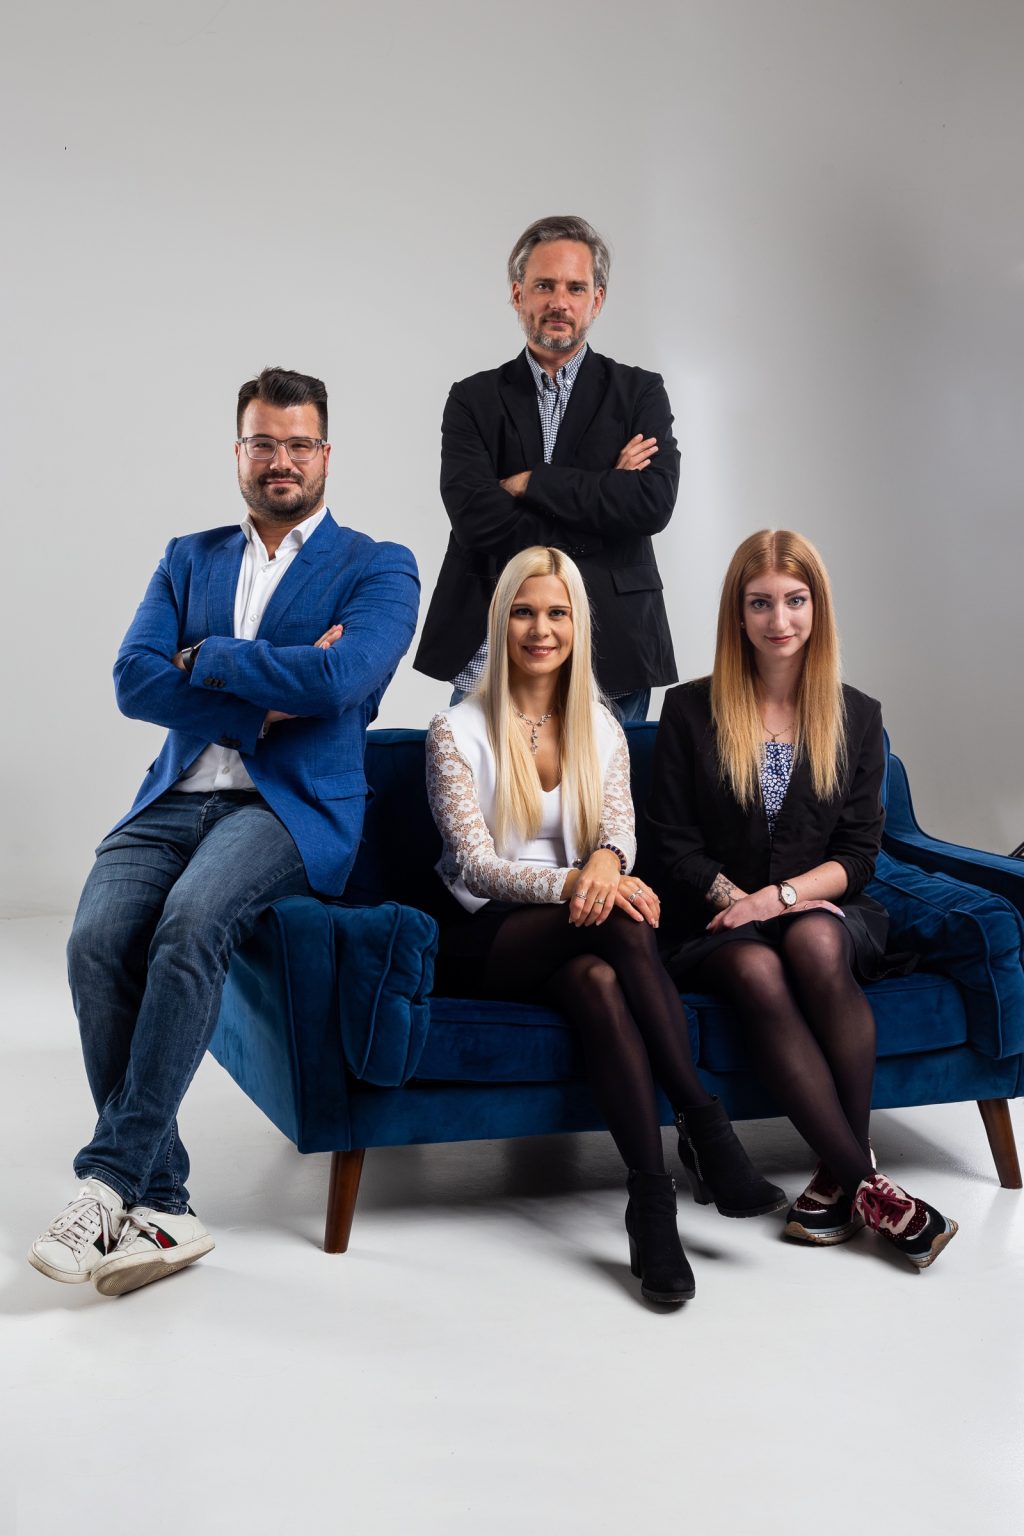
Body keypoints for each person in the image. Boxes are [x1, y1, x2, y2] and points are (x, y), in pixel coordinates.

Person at [29, 366, 420, 1296]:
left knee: (192, 924)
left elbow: (343, 685)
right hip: (172, 798)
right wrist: (264, 694)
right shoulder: (188, 556)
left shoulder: (379, 564)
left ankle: (109, 1181)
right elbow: (132, 680)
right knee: (92, 943)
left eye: (298, 444)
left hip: (291, 810)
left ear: (325, 454)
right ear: (238, 452)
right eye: (262, 443)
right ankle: (166, 1206)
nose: (279, 461)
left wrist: (206, 661)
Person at [425, 546, 785, 1306]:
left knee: (598, 979)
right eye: (524, 611)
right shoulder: (453, 733)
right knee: (618, 924)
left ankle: (650, 1203)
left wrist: (608, 864)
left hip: (580, 938)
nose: (540, 629)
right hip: (489, 940)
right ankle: (703, 1123)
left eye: (557, 613)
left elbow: (618, 828)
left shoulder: (603, 727)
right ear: (501, 620)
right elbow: (480, 868)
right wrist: (586, 880)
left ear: (577, 624)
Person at [648, 529, 957, 1269]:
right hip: (717, 922)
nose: (778, 620)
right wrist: (741, 902)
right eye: (760, 604)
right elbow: (671, 842)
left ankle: (839, 1173)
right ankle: (866, 1181)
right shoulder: (689, 710)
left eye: (794, 601)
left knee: (814, 940)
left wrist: (779, 899)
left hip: (822, 910)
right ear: (738, 613)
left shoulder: (857, 716)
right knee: (757, 969)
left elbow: (857, 855)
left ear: (816, 608)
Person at [414, 214, 679, 722]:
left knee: (600, 801)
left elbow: (651, 503)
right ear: (518, 295)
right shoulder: (472, 399)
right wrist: (605, 491)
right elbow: (476, 517)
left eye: (576, 287)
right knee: (481, 798)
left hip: (612, 644)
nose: (560, 302)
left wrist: (534, 482)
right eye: (544, 286)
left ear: (596, 300)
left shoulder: (640, 392)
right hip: (493, 642)